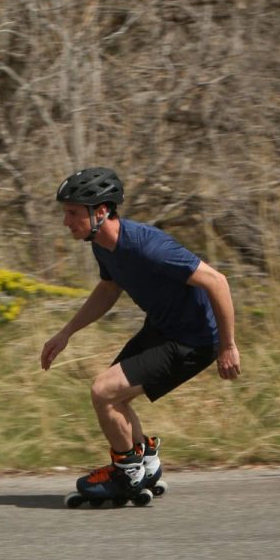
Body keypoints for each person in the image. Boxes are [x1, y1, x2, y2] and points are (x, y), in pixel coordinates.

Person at [40, 167, 241, 504]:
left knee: (103, 391)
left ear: (101, 211)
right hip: (161, 329)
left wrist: (228, 346)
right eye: (65, 213)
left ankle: (126, 475)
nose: (66, 222)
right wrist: (67, 332)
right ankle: (144, 461)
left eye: (73, 213)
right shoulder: (102, 245)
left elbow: (217, 281)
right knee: (113, 397)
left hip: (191, 341)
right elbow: (108, 289)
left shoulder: (149, 246)